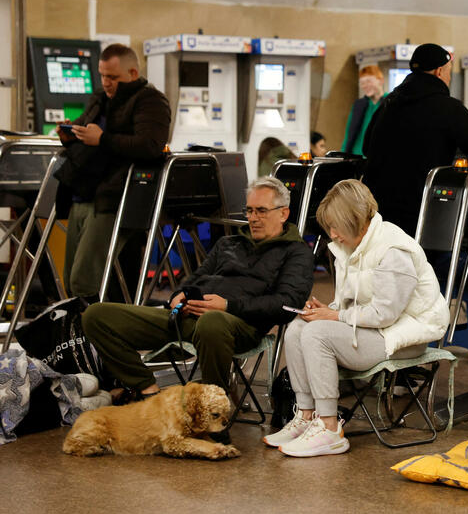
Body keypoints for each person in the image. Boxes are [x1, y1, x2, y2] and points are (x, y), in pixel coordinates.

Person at [82, 177, 314, 402]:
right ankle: (148, 390)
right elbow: (193, 281)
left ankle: (213, 410)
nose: (253, 218)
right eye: (249, 211)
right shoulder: (228, 244)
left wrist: (228, 306)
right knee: (96, 315)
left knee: (212, 321)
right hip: (187, 316)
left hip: (238, 325)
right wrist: (177, 297)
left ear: (283, 213)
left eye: (261, 211)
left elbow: (288, 303)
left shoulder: (296, 252)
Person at [263, 179, 449, 457]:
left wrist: (334, 315)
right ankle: (305, 415)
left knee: (316, 334)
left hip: (404, 336)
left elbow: (385, 315)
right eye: (330, 227)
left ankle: (328, 427)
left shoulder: (394, 250)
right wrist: (325, 310)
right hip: (373, 329)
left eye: (336, 226)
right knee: (298, 326)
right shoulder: (350, 246)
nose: (333, 234)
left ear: (355, 220)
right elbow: (350, 302)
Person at [54, 43, 170, 299]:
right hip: (83, 192)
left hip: (114, 197)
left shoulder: (151, 101)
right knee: (71, 281)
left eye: (112, 77)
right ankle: (77, 335)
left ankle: (95, 334)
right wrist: (70, 133)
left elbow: (151, 145)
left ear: (132, 73)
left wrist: (103, 139)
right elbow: (87, 127)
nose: (106, 82)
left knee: (84, 281)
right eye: (102, 75)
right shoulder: (100, 97)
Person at [363, 43, 468, 236]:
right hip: (423, 212)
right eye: (449, 72)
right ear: (439, 72)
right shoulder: (448, 107)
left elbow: (366, 147)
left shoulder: (388, 104)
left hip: (377, 210)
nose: (450, 78)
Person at [341, 65, 386, 157]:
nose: (365, 86)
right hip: (357, 156)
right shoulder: (359, 105)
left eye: (368, 81)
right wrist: (343, 154)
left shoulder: (390, 102)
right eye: (362, 83)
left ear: (381, 81)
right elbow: (349, 133)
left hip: (380, 158)